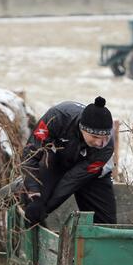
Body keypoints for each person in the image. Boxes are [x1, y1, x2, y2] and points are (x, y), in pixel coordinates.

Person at [19, 96, 116, 225]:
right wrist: (34, 195)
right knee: (33, 204)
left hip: (91, 175)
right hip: (56, 160)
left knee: (106, 224)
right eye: (95, 136)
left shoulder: (106, 147)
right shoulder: (57, 117)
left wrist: (47, 208)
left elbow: (73, 180)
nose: (100, 143)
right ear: (82, 128)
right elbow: (30, 154)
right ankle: (19, 190)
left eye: (105, 137)